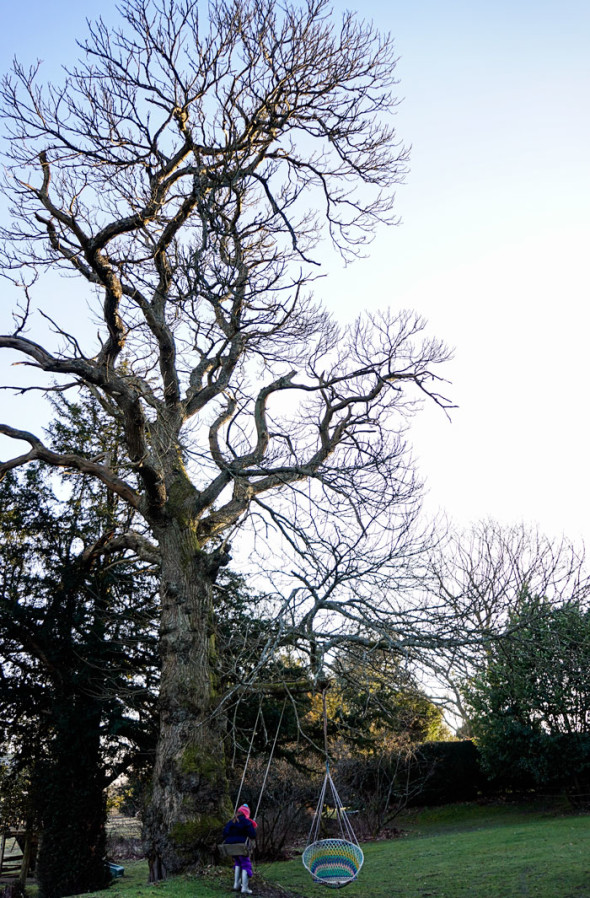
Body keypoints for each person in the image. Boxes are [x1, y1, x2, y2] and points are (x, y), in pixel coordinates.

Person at [222, 803, 258, 894]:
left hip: (231, 848)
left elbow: (225, 833)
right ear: (246, 813)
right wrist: (251, 826)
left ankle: (236, 884)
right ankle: (244, 887)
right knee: (246, 864)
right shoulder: (246, 822)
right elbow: (252, 835)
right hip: (241, 846)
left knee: (238, 862)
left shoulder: (232, 821)